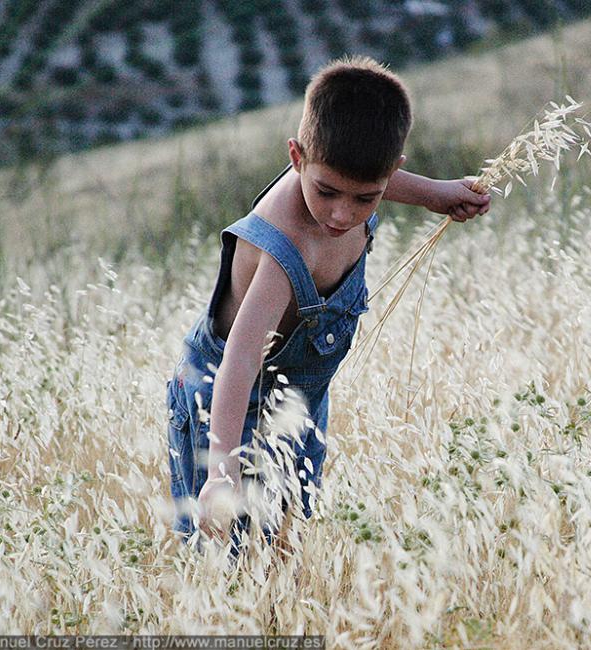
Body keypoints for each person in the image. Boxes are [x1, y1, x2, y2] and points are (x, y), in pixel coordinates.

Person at [164, 55, 490, 563]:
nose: (342, 214)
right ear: (297, 158)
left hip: (298, 401)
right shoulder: (282, 248)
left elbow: (362, 181)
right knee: (229, 562)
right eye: (327, 192)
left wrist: (436, 195)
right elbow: (241, 361)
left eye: (367, 198)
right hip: (227, 405)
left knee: (287, 545)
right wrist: (222, 470)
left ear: (389, 176)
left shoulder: (352, 183)